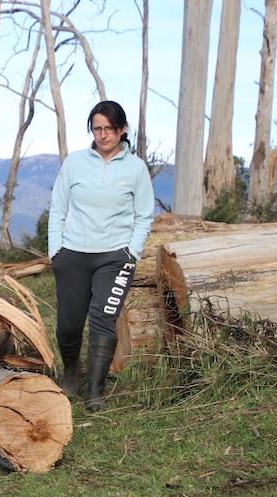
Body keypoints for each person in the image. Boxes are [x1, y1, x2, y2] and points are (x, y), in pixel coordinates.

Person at [47, 100, 155, 411]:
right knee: (69, 324)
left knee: (103, 320)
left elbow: (144, 215)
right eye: (97, 128)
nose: (103, 134)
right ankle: (70, 374)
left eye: (109, 128)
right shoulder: (75, 163)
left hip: (114, 258)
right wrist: (56, 251)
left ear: (122, 130)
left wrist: (131, 252)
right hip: (73, 255)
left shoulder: (135, 168)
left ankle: (95, 390)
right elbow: (58, 208)